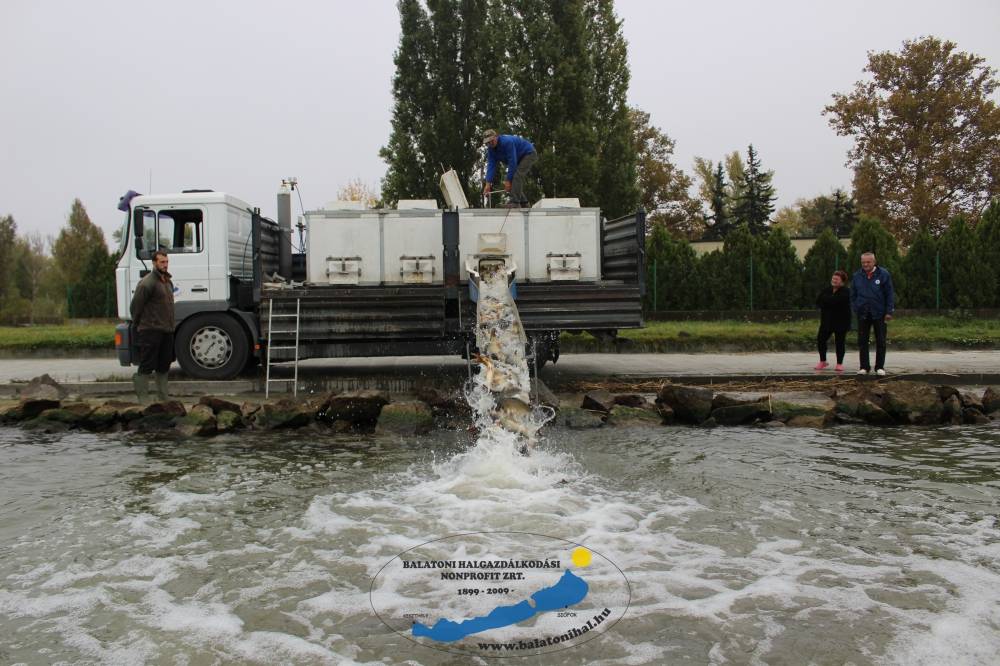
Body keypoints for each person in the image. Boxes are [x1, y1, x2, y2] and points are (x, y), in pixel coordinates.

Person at [130, 250, 176, 402]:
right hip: (150, 330)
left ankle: (163, 398)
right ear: (154, 263)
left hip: (167, 330)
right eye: (162, 262)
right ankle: (143, 399)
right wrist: (137, 324)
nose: (165, 265)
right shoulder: (147, 283)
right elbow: (136, 306)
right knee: (147, 364)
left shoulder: (168, 281)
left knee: (164, 364)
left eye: (167, 262)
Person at [850, 251, 895, 376]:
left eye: (868, 262)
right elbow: (852, 294)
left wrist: (889, 311)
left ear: (874, 262)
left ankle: (879, 367)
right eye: (863, 262)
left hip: (879, 313)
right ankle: (864, 367)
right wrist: (855, 307)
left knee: (880, 340)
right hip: (863, 313)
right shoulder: (857, 275)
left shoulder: (883, 274)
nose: (865, 264)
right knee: (862, 341)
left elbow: (889, 294)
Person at [482, 129, 538, 207]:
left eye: (491, 140)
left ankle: (515, 202)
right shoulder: (491, 150)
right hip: (518, 158)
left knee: (516, 176)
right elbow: (491, 166)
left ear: (496, 136)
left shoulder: (507, 142)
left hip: (528, 153)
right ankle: (524, 202)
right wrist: (488, 184)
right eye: (488, 142)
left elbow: (512, 162)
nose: (490, 143)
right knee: (511, 178)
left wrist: (508, 180)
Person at [814, 270, 852, 372]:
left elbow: (836, 301)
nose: (834, 280)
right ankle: (823, 361)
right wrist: (829, 301)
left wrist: (827, 301)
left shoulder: (846, 292)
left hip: (841, 321)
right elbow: (818, 301)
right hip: (826, 321)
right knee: (821, 339)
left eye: (837, 279)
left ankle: (839, 364)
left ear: (842, 281)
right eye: (833, 278)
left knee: (840, 342)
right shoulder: (827, 290)